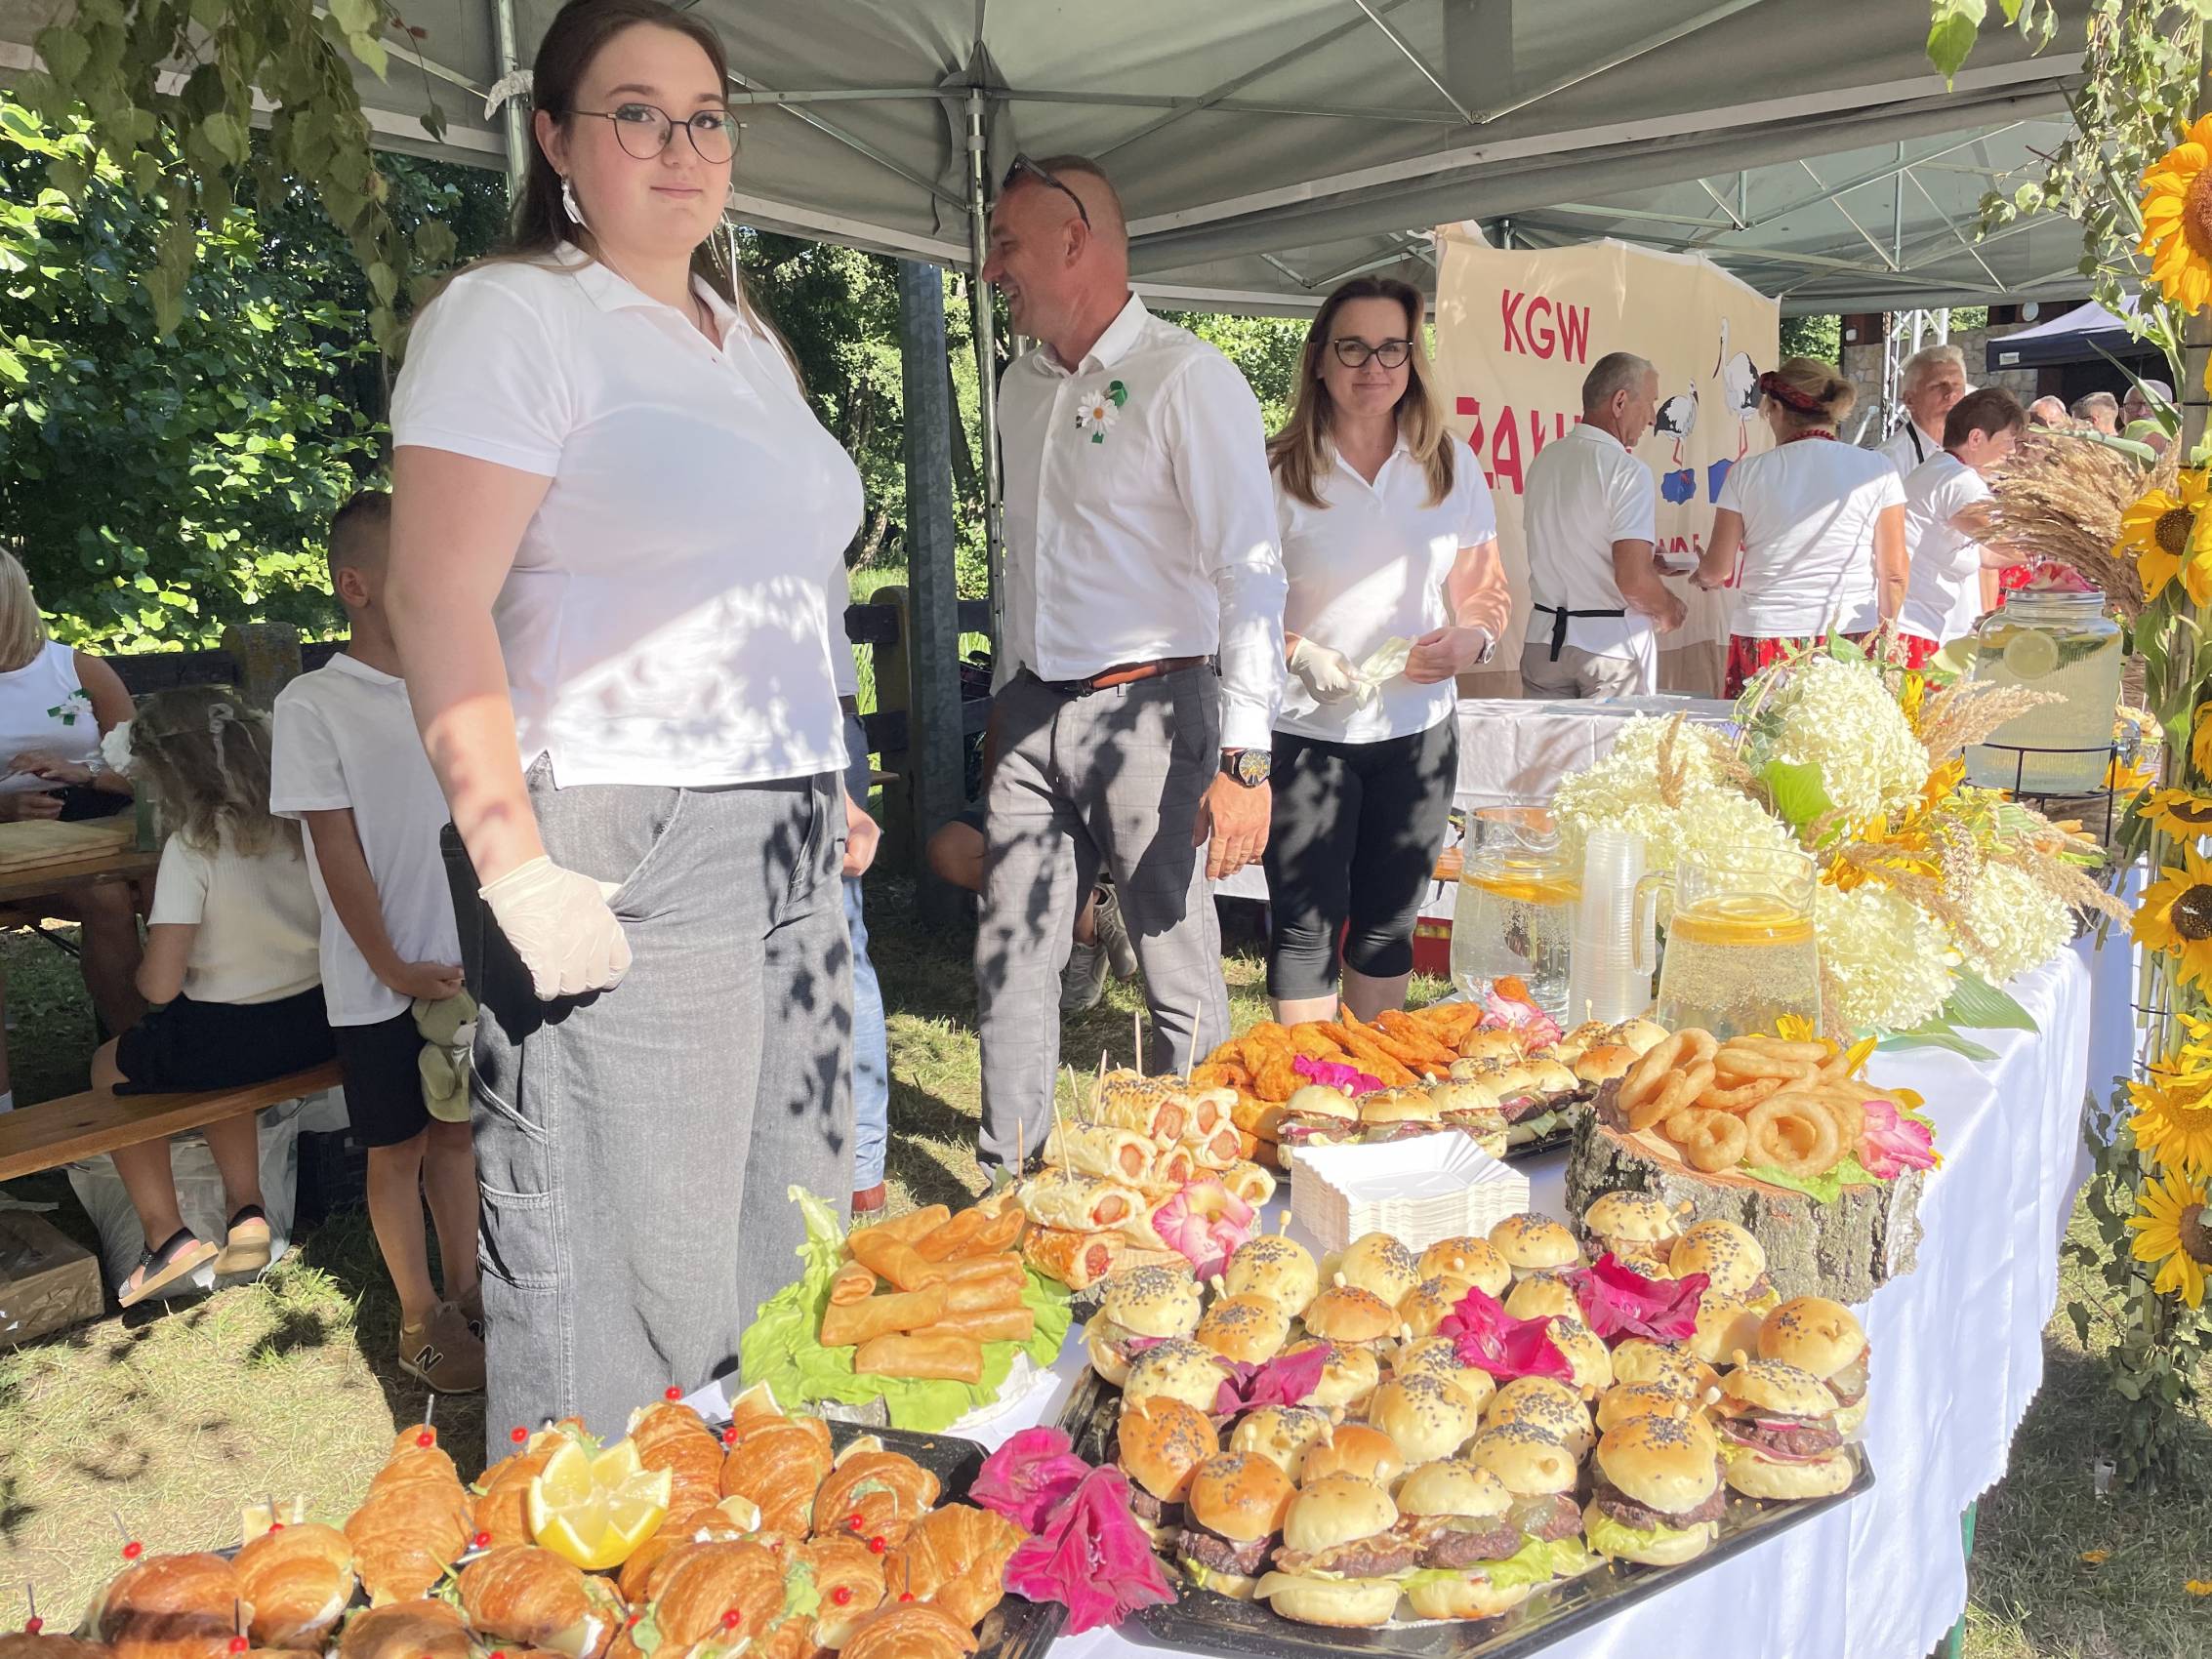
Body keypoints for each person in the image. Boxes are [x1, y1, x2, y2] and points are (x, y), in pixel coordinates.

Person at [384, 0, 869, 1441]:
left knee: (786, 1237)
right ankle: (588, 1556)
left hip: (782, 825)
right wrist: (513, 862)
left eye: (706, 118)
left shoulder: (745, 339)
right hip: (621, 822)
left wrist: (821, 766)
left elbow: (787, 578)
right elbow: (432, 596)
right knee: (625, 1271)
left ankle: (761, 1533)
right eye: (636, 114)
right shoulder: (515, 316)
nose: (680, 147)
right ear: (554, 138)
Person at [975, 152, 1286, 1172]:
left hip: (1154, 709)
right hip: (1033, 708)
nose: (990, 269)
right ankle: (1007, 1192)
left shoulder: (1187, 379)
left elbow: (1250, 573)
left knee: (1173, 966)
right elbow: (1029, 557)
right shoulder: (1021, 385)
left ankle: (1206, 1192)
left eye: (1006, 244)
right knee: (1011, 957)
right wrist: (1009, 694)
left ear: (1075, 242)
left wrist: (1246, 760)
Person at [269, 491, 483, 1392]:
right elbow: (336, 848)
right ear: (355, 586)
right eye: (413, 570)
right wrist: (392, 965)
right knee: (397, 1148)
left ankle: (472, 1294)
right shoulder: (314, 703)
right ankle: (419, 1316)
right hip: (378, 978)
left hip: (468, 966)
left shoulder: (463, 684)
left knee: (459, 1137)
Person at [1263, 276, 1504, 1024]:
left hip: (1418, 735)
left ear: (1412, 360)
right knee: (1304, 928)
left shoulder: (1450, 463)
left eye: (1392, 348)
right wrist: (1298, 651)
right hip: (1304, 734)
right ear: (1319, 360)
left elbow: (1487, 593)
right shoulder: (1273, 470)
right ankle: (1310, 1085)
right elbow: (1227, 608)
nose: (1374, 367)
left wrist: (1470, 640)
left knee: (1386, 927)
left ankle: (1375, 1080)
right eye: (1353, 348)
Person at [92, 688, 336, 1307]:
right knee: (217, 1071)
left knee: (109, 1067)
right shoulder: (303, 829)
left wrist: (146, 962)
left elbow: (160, 986)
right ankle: (246, 1210)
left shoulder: (192, 848)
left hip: (225, 1041)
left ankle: (165, 1236)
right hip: (317, 1027)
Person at [0, 550, 143, 1113]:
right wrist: (6, 808)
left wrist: (79, 773)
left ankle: (138, 1060)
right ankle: (7, 1108)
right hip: (8, 841)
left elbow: (146, 769)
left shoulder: (77, 670)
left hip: (86, 827)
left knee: (109, 897)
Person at [1693, 357, 1907, 697]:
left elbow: (1717, 570)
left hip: (1767, 634)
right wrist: (1888, 640)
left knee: (1760, 730)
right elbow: (1894, 573)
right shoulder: (1878, 468)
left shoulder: (1746, 473)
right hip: (1849, 634)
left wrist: (1702, 575)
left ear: (1776, 408)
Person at [1520, 351, 1687, 699]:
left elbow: (1573, 543)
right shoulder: (1627, 471)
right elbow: (1634, 582)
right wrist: (1669, 608)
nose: (1652, 418)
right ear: (1620, 401)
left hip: (1544, 641)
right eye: (1650, 402)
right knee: (1619, 738)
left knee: (1547, 738)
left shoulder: (1545, 460)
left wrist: (1644, 560)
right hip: (1610, 648)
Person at [826, 562, 886, 1212]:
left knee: (839, 948)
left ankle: (862, 1165)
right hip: (830, 717)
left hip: (802, 722)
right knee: (844, 946)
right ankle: (863, 1173)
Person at [1898, 388, 2027, 669]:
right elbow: (2009, 545)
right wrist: (2063, 540)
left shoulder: (1942, 470)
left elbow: (1987, 555)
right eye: (2008, 441)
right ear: (1976, 438)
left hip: (1917, 625)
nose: (2013, 453)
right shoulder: (1958, 480)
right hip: (1913, 629)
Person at [1876, 344, 1968, 477]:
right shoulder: (1889, 460)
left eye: (1957, 384)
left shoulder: (1978, 445)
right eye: (1938, 385)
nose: (1951, 393)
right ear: (1910, 400)